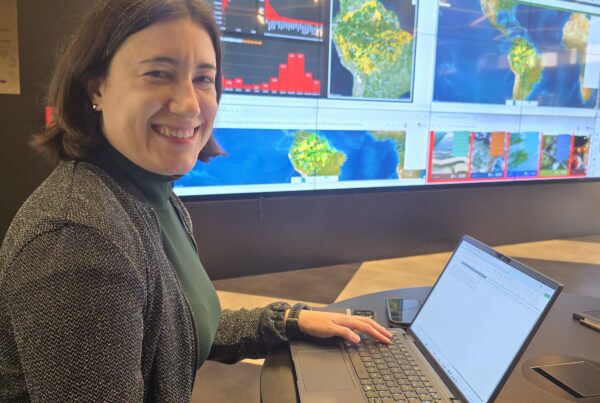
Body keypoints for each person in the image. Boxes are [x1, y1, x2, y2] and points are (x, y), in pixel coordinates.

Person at [0, 0, 391, 400]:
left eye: (203, 78)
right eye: (158, 73)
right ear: (96, 88)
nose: (188, 104)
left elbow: (177, 330)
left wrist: (289, 321)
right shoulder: (80, 240)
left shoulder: (152, 198)